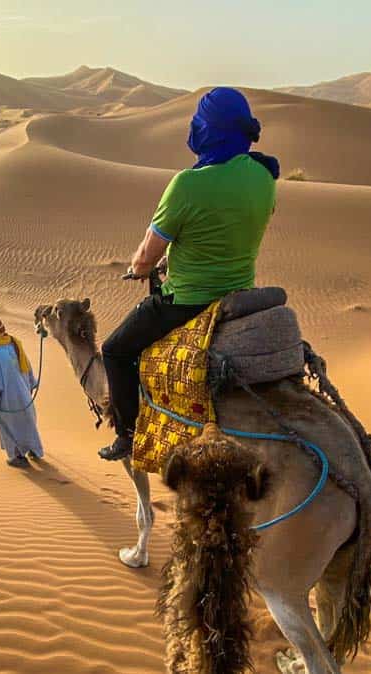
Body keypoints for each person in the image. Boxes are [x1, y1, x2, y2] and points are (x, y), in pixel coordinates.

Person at [99, 87, 279, 461]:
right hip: (240, 297)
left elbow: (148, 255)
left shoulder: (187, 184)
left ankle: (128, 435)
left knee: (114, 350)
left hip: (188, 302)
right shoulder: (264, 177)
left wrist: (137, 269)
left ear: (207, 130)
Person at [0, 316, 44, 468]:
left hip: (7, 401)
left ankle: (17, 457)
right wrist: (30, 385)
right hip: (25, 395)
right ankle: (34, 451)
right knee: (28, 424)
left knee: (9, 428)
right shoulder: (15, 344)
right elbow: (27, 367)